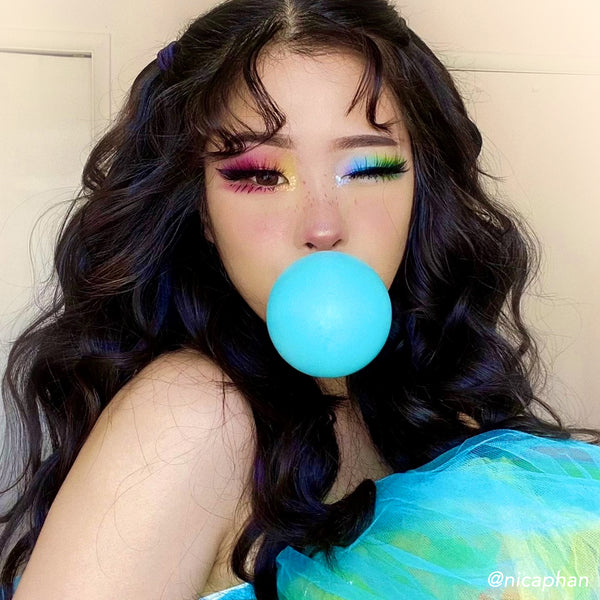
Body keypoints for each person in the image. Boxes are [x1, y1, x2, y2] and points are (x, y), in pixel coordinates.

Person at [1, 0, 600, 598]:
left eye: (367, 167)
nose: (322, 225)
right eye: (260, 175)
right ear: (202, 212)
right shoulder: (191, 415)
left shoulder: (426, 404)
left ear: (421, 187)